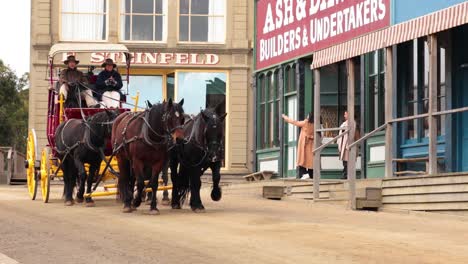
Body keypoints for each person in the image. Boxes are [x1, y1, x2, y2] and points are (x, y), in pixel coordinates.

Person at [282, 112, 315, 179]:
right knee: (310, 161)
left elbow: (295, 122)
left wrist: (286, 118)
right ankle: (310, 175)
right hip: (311, 145)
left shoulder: (305, 123)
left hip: (304, 145)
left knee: (302, 160)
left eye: (308, 115)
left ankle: (304, 174)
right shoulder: (315, 125)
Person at [337, 111, 359, 179]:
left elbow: (353, 134)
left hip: (348, 144)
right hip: (343, 144)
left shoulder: (353, 123)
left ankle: (347, 175)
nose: (344, 115)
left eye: (345, 114)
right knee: (345, 161)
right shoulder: (344, 123)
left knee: (348, 160)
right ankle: (346, 174)